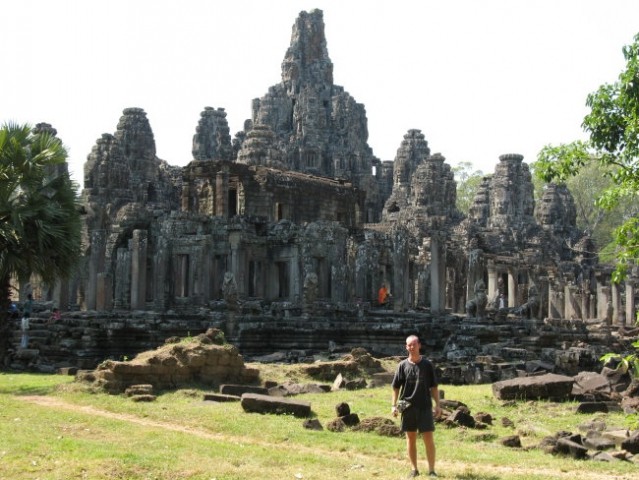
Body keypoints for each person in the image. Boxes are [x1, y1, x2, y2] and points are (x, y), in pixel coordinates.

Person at [392, 334, 441, 478]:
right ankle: (414, 469)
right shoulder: (402, 366)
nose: (412, 347)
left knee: (428, 438)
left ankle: (432, 470)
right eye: (409, 345)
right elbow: (395, 387)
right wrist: (393, 405)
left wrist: (438, 405)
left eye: (414, 344)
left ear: (419, 345)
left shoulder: (427, 365)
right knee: (410, 437)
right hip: (406, 405)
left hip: (425, 405)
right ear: (406, 347)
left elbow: (434, 387)